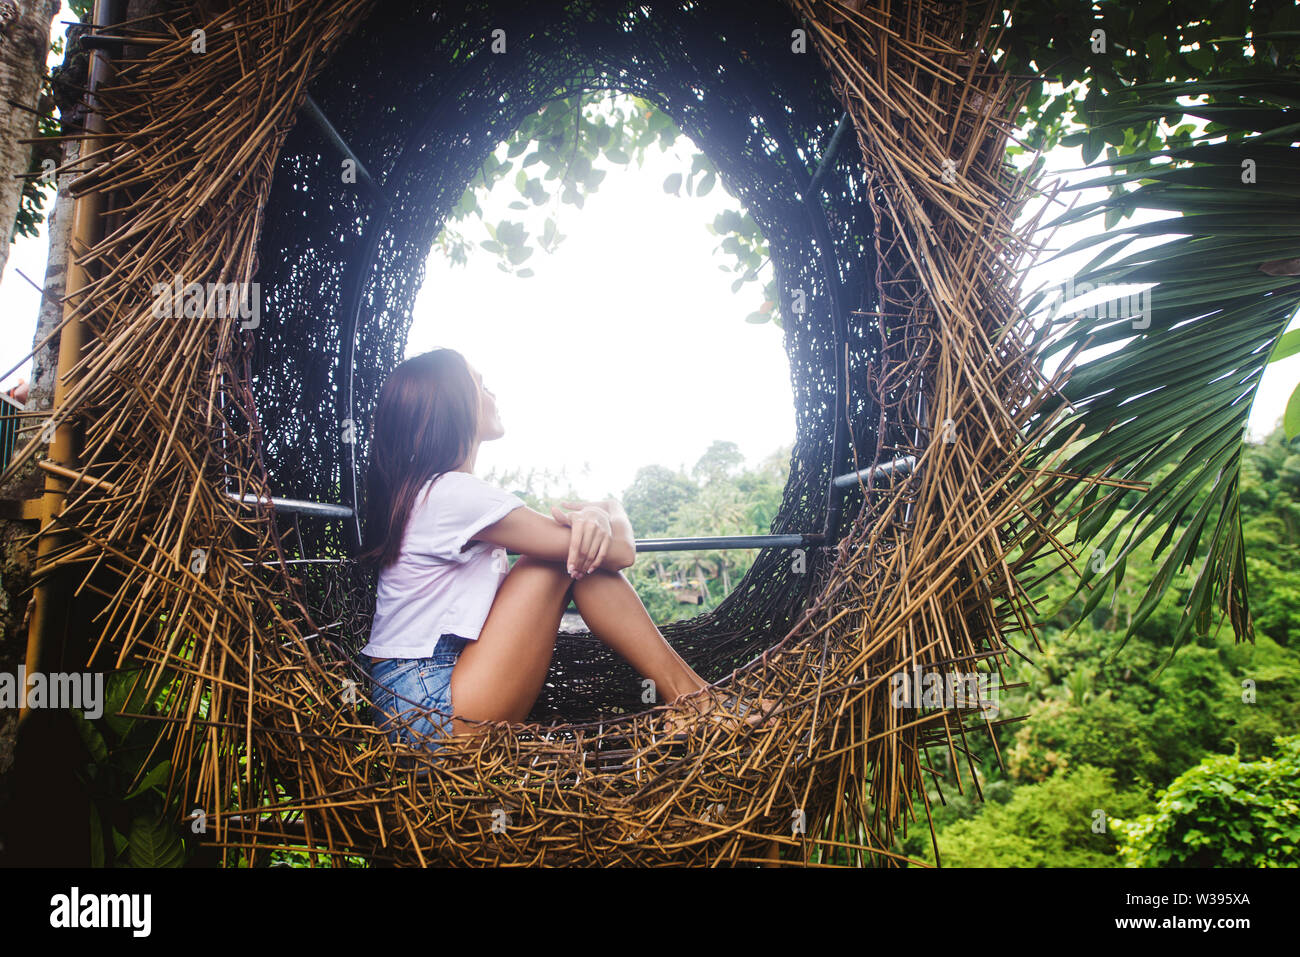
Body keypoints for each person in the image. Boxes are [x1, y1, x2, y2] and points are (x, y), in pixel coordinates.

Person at [358, 348, 773, 757]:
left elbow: (601, 547)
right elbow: (619, 552)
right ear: (454, 405)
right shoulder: (452, 493)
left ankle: (694, 700)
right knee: (566, 562)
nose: (492, 394)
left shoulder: (435, 492)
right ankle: (695, 702)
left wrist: (599, 514)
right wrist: (610, 509)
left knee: (568, 557)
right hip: (429, 715)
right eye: (480, 384)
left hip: (417, 706)